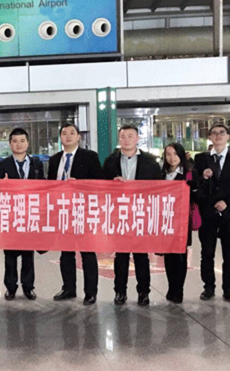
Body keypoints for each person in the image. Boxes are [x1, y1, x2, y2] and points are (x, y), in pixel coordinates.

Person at [103, 125, 162, 306]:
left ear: (137, 139)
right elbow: (101, 185)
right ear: (119, 139)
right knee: (120, 256)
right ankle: (120, 291)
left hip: (141, 213)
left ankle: (143, 292)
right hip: (119, 214)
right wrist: (112, 183)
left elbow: (158, 186)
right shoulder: (110, 161)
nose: (126, 140)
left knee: (141, 256)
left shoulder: (150, 161)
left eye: (130, 136)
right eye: (123, 136)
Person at [193, 123, 230, 303]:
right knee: (207, 253)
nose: (218, 136)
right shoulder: (201, 159)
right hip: (208, 213)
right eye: (214, 133)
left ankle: (229, 290)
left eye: (222, 133)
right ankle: (208, 287)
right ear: (209, 137)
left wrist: (227, 202)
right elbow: (194, 185)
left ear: (228, 137)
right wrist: (203, 177)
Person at [48, 123, 103, 306]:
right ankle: (69, 288)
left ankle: (90, 292)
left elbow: (98, 183)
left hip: (83, 211)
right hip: (63, 212)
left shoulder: (90, 157)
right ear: (60, 138)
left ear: (79, 137)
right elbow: (49, 185)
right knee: (66, 253)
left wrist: (78, 184)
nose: (68, 136)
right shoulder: (55, 159)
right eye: (64, 133)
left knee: (87, 253)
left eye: (72, 133)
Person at [0, 128, 43, 301]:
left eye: (22, 141)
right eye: (15, 141)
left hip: (30, 214)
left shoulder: (37, 164)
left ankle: (28, 287)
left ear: (27, 143)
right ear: (10, 144)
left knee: (28, 254)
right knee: (10, 254)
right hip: (11, 215)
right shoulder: (2, 164)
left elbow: (44, 187)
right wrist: (2, 185)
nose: (19, 144)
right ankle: (11, 287)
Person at [161, 143, 196, 304]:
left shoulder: (189, 174)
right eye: (168, 154)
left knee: (180, 255)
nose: (172, 158)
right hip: (165, 220)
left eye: (175, 154)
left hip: (182, 221)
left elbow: (197, 195)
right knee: (168, 255)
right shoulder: (161, 174)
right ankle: (171, 287)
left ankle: (179, 290)